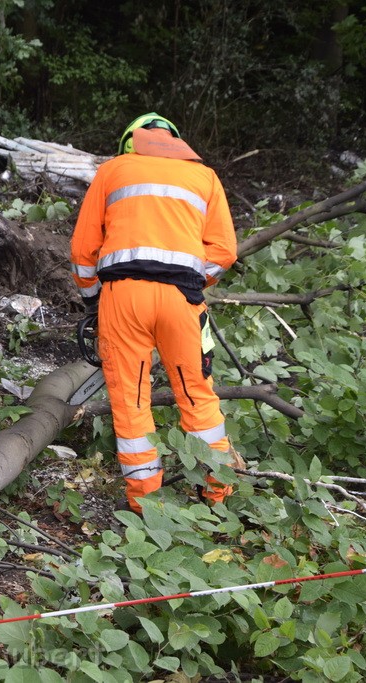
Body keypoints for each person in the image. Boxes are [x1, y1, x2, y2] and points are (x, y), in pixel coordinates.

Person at [70, 112, 243, 515]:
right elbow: (224, 252)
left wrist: (93, 300)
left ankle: (146, 508)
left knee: (131, 402)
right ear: (177, 142)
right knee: (198, 394)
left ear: (129, 142)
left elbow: (83, 252)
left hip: (123, 297)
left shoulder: (113, 171)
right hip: (182, 300)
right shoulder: (205, 178)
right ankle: (217, 495)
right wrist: (194, 281)